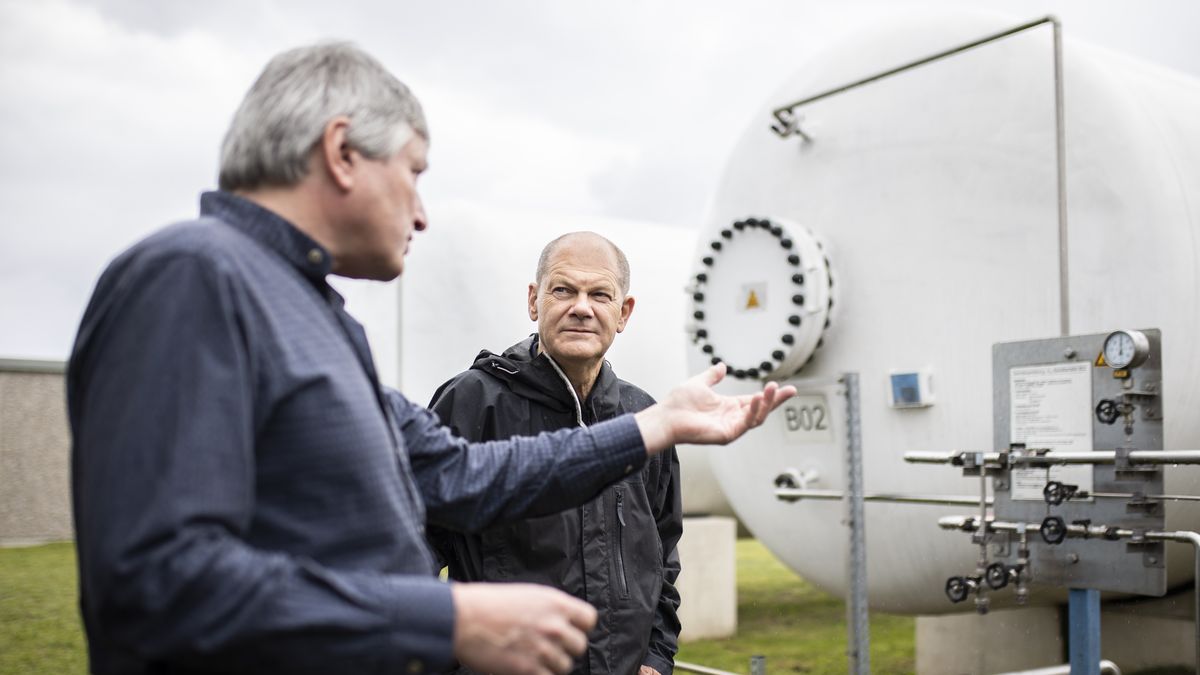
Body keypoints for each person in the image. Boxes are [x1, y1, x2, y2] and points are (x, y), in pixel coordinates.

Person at [67, 41, 794, 675]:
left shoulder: (314, 314)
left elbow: (460, 475)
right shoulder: (196, 276)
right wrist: (447, 619)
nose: (420, 212)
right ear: (342, 151)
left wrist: (654, 426)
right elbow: (157, 582)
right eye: (414, 172)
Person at [427, 232, 681, 675]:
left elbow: (663, 554)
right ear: (534, 301)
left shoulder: (642, 417)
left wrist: (657, 657)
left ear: (623, 313)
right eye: (563, 290)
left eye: (600, 294)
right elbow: (415, 548)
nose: (581, 307)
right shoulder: (473, 402)